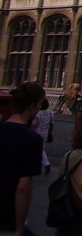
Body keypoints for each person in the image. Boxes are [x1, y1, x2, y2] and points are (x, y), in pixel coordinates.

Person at [2, 82, 45, 236]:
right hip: (7, 218)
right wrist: (19, 228)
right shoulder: (32, 139)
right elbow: (23, 187)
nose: (40, 108)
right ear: (31, 106)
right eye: (40, 104)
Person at [31, 96, 55, 175]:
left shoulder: (38, 113)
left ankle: (45, 163)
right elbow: (52, 125)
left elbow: (34, 125)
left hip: (37, 132)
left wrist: (31, 132)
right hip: (45, 132)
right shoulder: (50, 114)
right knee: (41, 148)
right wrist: (50, 133)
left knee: (39, 149)